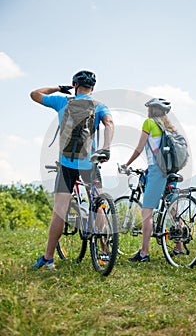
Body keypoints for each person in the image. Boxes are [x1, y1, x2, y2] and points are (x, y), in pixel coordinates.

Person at [30, 70, 114, 269]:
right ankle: (104, 252)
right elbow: (109, 123)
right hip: (90, 163)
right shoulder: (99, 105)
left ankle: (48, 258)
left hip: (67, 164)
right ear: (92, 88)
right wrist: (106, 149)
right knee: (98, 204)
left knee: (59, 211)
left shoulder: (62, 102)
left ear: (75, 85)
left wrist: (59, 88)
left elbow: (34, 93)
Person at [122, 98, 177, 262]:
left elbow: (140, 148)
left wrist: (127, 164)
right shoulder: (169, 128)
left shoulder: (149, 123)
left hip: (157, 171)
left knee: (147, 213)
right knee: (172, 206)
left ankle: (144, 253)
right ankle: (179, 248)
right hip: (172, 169)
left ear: (151, 110)